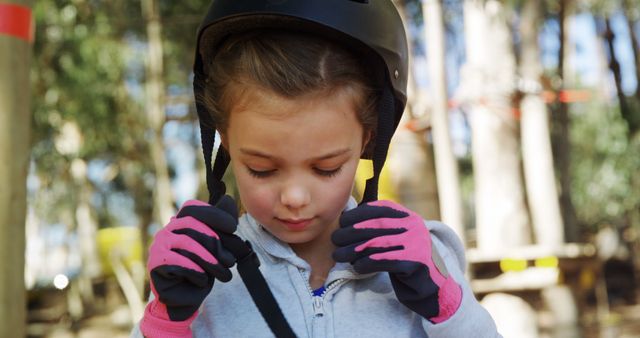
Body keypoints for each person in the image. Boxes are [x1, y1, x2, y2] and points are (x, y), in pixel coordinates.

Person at [131, 0, 501, 337]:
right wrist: (163, 322)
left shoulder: (426, 263)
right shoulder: (203, 280)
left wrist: (451, 312)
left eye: (326, 168)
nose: (294, 197)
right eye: (261, 169)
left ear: (367, 143)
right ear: (226, 144)